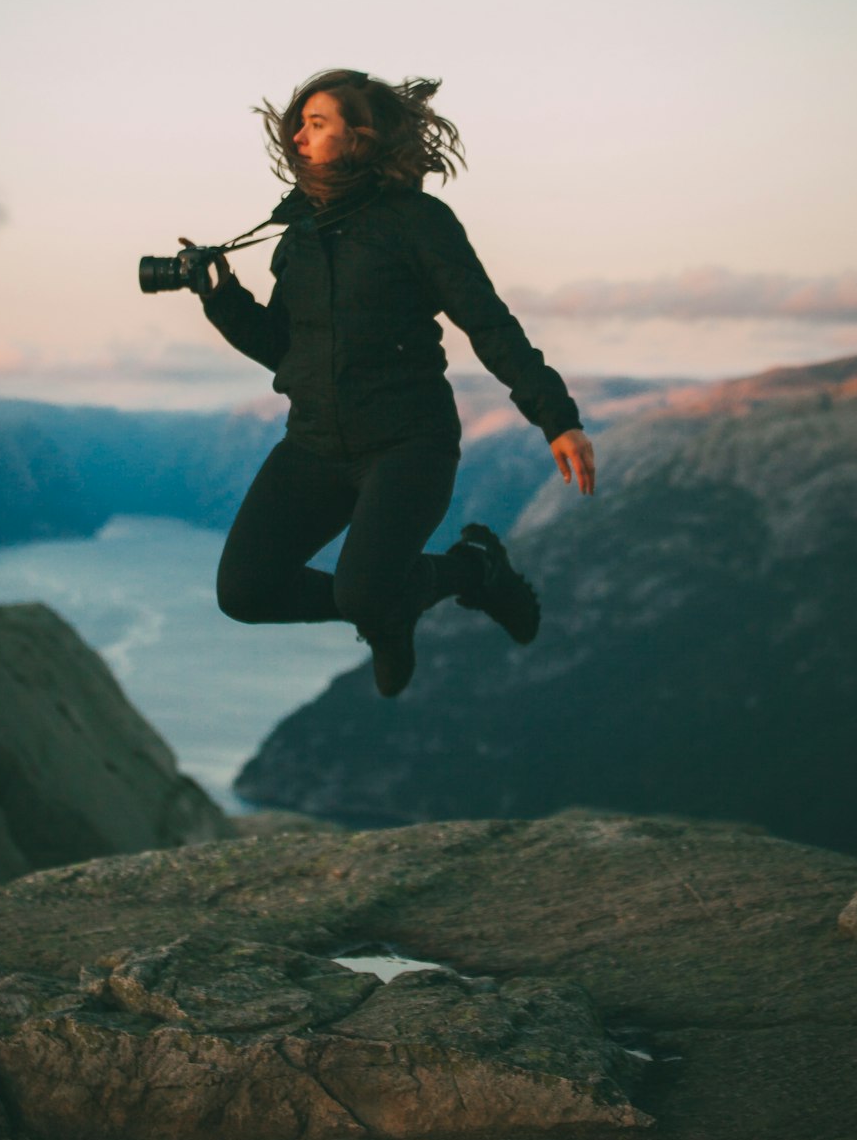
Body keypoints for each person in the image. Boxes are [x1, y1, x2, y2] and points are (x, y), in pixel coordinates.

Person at [184, 69, 595, 698]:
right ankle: (386, 611)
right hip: (315, 447)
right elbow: (289, 354)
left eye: (316, 124)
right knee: (244, 592)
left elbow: (487, 322)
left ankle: (472, 571)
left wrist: (555, 416)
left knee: (363, 590)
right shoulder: (298, 235)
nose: (297, 137)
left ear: (362, 138)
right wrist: (223, 298)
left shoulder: (419, 222)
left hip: (408, 444)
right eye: (297, 125)